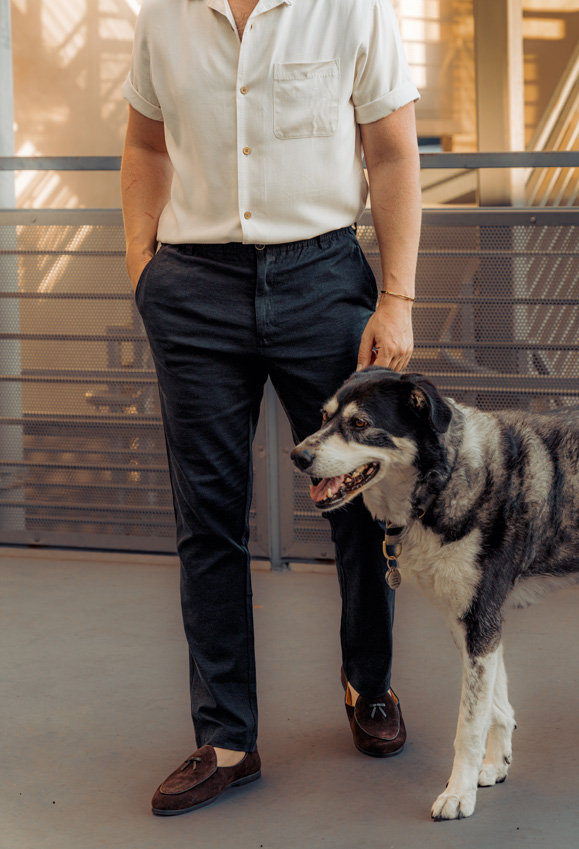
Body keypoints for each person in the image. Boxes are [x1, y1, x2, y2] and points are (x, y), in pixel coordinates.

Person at [121, 0, 421, 817]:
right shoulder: (165, 15)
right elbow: (145, 141)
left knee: (360, 507)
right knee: (207, 517)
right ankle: (227, 738)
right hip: (193, 285)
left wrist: (395, 298)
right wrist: (141, 262)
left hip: (323, 280)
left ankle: (370, 683)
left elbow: (392, 152)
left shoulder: (354, 7)